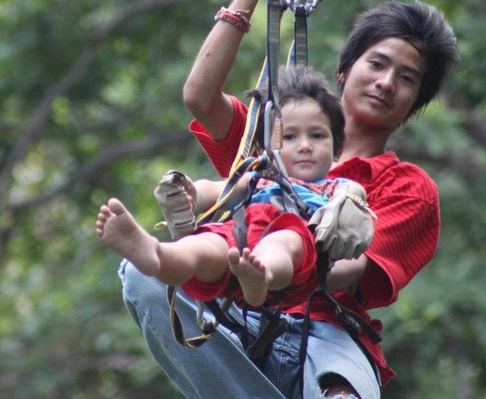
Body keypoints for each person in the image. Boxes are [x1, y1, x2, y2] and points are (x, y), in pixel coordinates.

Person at [118, 0, 459, 399]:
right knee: (142, 275)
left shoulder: (406, 187)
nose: (386, 83)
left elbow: (343, 274)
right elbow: (200, 96)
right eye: (377, 64)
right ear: (344, 68)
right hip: (238, 315)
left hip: (326, 335)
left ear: (413, 105)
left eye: (407, 80)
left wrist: (268, 261)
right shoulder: (279, 135)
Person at [97, 66, 371, 308]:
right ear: (267, 148)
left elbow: (356, 214)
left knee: (283, 240)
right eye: (288, 137)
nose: (304, 146)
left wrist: (351, 207)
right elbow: (220, 190)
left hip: (296, 250)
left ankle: (262, 277)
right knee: (204, 245)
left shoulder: (337, 187)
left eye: (317, 135)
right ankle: (157, 255)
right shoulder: (258, 176)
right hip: (241, 240)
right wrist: (193, 197)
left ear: (336, 149)